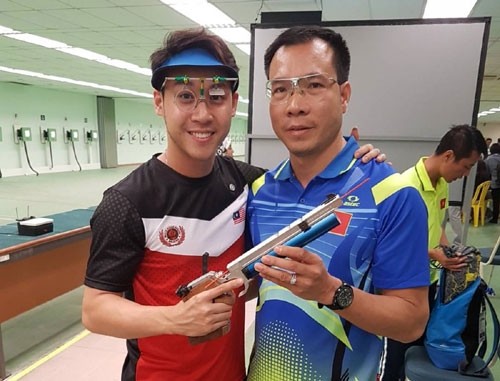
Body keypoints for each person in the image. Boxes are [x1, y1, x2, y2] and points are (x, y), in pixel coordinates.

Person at [81, 27, 384, 381]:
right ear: (159, 102)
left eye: (215, 96)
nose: (202, 114)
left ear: (233, 104)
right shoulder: (127, 202)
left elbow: (309, 179)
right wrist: (175, 319)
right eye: (185, 96)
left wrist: (355, 158)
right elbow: (95, 310)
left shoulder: (249, 184)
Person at [245, 25, 430, 381]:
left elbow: (411, 322)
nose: (295, 106)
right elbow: (259, 283)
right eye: (281, 90)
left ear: (343, 95)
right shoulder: (259, 190)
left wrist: (330, 291)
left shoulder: (392, 194)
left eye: (313, 85)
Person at [381, 124, 488, 380]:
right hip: (401, 288)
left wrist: (446, 249)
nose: (465, 174)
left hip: (428, 281)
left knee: (418, 346)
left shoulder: (440, 183)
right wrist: (436, 255)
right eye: (466, 166)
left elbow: (437, 225)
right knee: (395, 352)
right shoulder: (405, 187)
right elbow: (394, 243)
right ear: (449, 155)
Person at [485, 142, 500, 223]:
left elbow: (486, 172)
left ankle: (494, 218)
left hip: (495, 184)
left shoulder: (488, 159)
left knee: (495, 202)